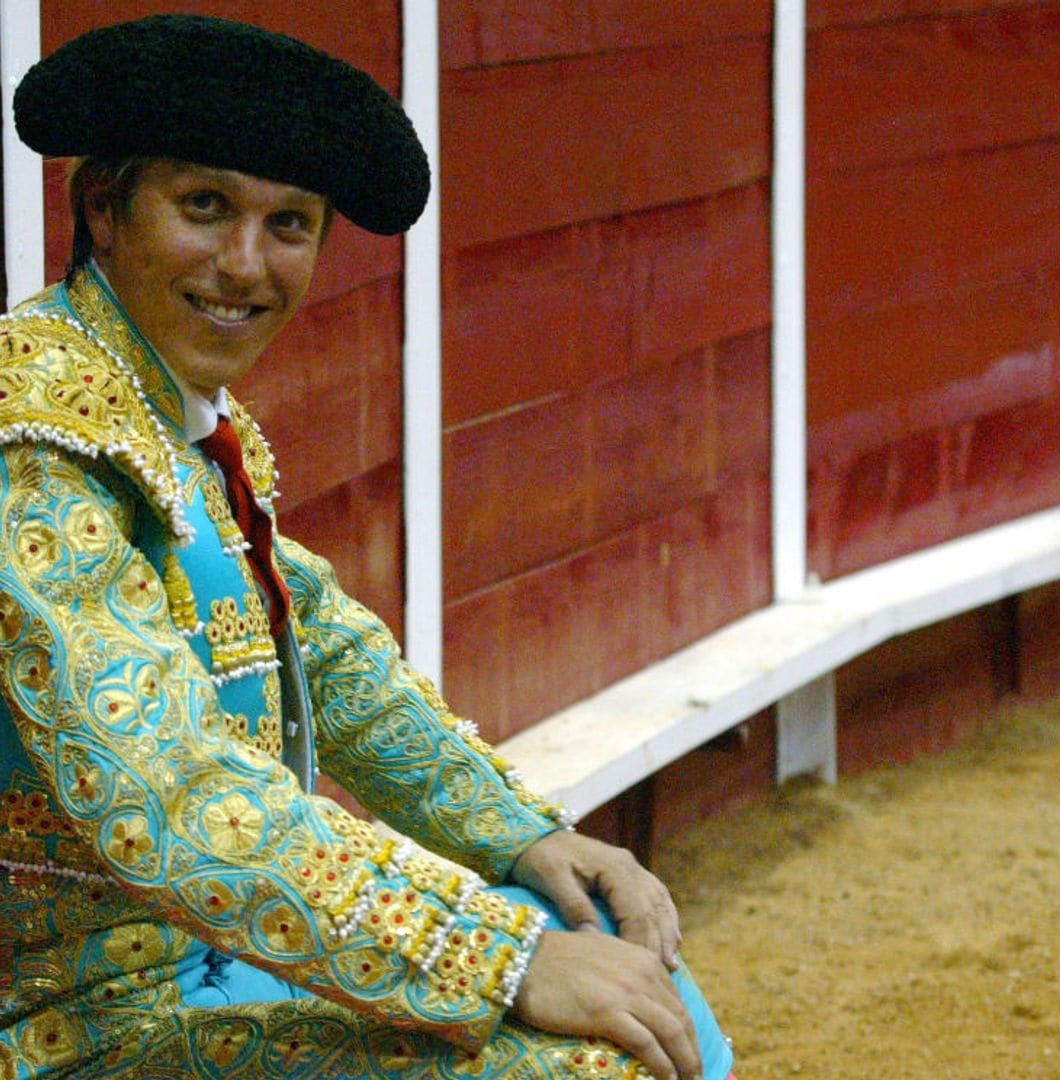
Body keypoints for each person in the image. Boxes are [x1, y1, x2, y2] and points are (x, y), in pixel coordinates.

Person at [0, 15, 735, 1080]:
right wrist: (495, 956)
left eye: (289, 224)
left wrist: (520, 839)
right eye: (205, 207)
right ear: (104, 209)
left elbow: (327, 659)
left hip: (194, 971)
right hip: (62, 1021)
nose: (245, 265)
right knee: (578, 1066)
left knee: (610, 957)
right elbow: (168, 802)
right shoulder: (38, 446)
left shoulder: (168, 417)